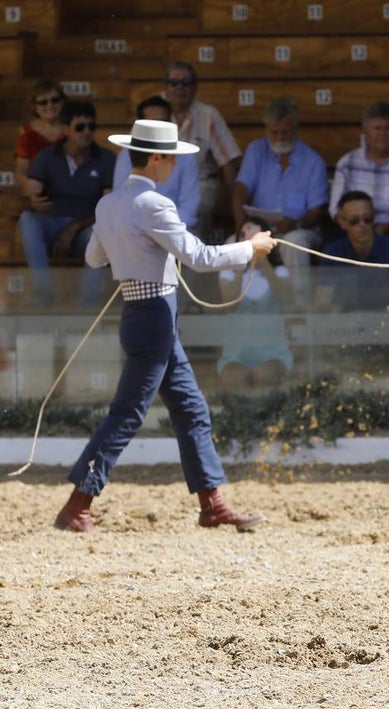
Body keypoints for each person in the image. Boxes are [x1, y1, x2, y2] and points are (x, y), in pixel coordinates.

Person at [52, 118, 275, 533]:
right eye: (170, 158)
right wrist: (252, 247)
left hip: (144, 316)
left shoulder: (109, 204)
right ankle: (78, 504)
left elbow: (94, 259)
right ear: (156, 158)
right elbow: (201, 258)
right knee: (128, 414)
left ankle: (212, 503)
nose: (173, 165)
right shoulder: (154, 204)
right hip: (155, 317)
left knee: (190, 408)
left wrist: (132, 249)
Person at [19, 100, 115, 308]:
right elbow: (31, 189)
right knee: (27, 219)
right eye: (80, 127)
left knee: (103, 231)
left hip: (86, 228)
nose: (86, 132)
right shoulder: (47, 157)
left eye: (91, 127)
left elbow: (109, 209)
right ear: (65, 129)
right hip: (52, 222)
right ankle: (42, 292)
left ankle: (88, 303)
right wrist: (33, 200)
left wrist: (73, 228)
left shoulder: (106, 159)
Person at [233, 96, 329, 276]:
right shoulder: (256, 150)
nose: (279, 138)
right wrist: (241, 226)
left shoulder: (313, 161)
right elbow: (240, 190)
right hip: (258, 227)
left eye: (284, 132)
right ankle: (231, 302)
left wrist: (296, 223)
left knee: (295, 243)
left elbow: (317, 210)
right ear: (266, 130)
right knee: (232, 242)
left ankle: (299, 303)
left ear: (295, 128)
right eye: (273, 132)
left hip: (299, 228)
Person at [163, 62, 242, 241]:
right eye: (174, 83)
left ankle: (196, 258)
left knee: (199, 205)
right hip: (161, 180)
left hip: (201, 182)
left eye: (186, 83)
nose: (180, 88)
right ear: (165, 88)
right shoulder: (155, 111)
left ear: (195, 87)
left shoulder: (208, 115)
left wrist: (235, 208)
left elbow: (228, 160)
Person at [329, 102, 389, 248]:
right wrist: (355, 227)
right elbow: (336, 207)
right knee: (332, 243)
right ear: (365, 133)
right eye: (377, 128)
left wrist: (384, 228)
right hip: (354, 227)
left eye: (388, 129)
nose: (382, 134)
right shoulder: (348, 162)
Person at [216, 216, 293, 389]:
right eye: (243, 236)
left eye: (253, 235)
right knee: (235, 379)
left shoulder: (279, 270)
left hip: (273, 352)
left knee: (263, 377)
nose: (248, 239)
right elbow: (229, 303)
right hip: (235, 353)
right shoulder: (228, 272)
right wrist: (241, 263)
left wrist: (263, 262)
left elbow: (285, 299)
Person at [113, 96, 200, 231]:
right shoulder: (126, 154)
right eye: (152, 122)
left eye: (163, 121)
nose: (159, 126)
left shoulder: (187, 157)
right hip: (134, 230)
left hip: (175, 228)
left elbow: (189, 208)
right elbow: (121, 199)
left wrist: (164, 230)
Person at [319, 191, 389, 312]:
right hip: (344, 323)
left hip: (385, 321)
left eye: (367, 219)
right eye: (354, 220)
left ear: (374, 219)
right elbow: (322, 305)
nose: (362, 224)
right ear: (343, 222)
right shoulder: (332, 253)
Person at [14, 79, 67, 192]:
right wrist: (34, 191)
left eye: (55, 100)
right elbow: (21, 173)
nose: (50, 105)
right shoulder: (27, 134)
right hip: (40, 194)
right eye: (43, 102)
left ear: (63, 102)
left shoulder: (74, 129)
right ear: (35, 107)